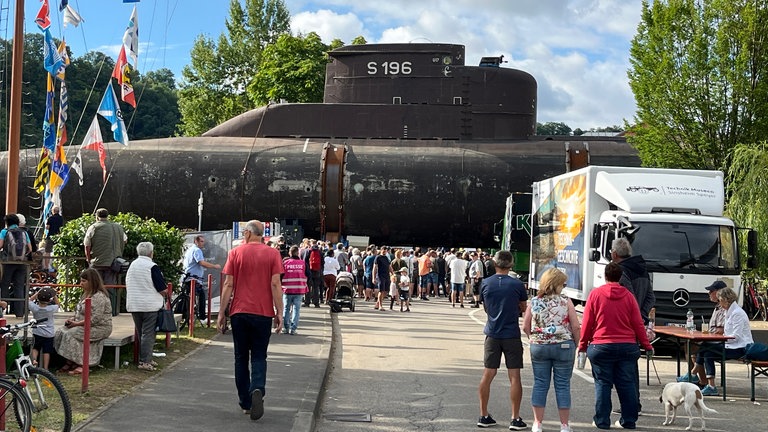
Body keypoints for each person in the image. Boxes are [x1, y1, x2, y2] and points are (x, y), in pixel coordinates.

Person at [216, 220, 284, 421]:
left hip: (239, 312)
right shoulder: (273, 254)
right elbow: (275, 284)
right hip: (263, 312)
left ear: (246, 233)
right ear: (261, 234)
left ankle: (245, 402)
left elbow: (228, 284)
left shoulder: (235, 254)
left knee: (240, 357)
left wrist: (221, 312)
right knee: (259, 356)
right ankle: (257, 388)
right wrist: (279, 311)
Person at [578, 262, 653, 430]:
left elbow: (587, 323)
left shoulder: (595, 295)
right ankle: (629, 420)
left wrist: (583, 345)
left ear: (605, 276)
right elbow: (638, 324)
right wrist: (646, 345)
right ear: (621, 277)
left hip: (601, 346)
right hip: (627, 346)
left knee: (603, 384)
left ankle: (602, 420)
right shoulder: (628, 296)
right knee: (627, 384)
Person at [523, 268, 581, 432]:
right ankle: (564, 425)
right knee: (562, 385)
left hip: (539, 346)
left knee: (540, 384)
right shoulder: (565, 301)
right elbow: (576, 326)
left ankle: (537, 424)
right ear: (556, 285)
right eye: (563, 283)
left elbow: (525, 326)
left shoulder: (534, 301)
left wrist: (534, 339)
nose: (564, 286)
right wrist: (577, 345)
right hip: (563, 345)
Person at [476, 250, 528, 430]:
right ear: (511, 264)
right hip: (511, 333)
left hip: (492, 332)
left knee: (488, 373)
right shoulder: (517, 284)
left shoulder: (485, 283)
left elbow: (485, 307)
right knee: (514, 376)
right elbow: (523, 307)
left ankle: (483, 414)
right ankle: (515, 418)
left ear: (494, 263)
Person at [678, 286, 752, 396]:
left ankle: (694, 374)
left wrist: (720, 340)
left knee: (707, 347)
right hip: (730, 344)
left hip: (740, 348)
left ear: (726, 300)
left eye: (721, 301)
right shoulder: (729, 311)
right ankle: (710, 385)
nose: (720, 304)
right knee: (707, 351)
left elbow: (736, 336)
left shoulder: (737, 313)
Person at [611, 237, 653, 415]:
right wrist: (642, 317)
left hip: (624, 325)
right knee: (631, 366)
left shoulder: (621, 271)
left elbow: (627, 298)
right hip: (637, 323)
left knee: (621, 368)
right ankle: (635, 403)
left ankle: (631, 405)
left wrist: (634, 317)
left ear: (614, 254)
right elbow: (651, 297)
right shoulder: (643, 269)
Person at [54, 268, 113, 375]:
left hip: (99, 327)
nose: (81, 284)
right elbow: (78, 311)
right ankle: (70, 361)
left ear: (92, 282)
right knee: (61, 331)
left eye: (84, 281)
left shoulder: (99, 297)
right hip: (83, 323)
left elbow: (95, 319)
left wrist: (76, 324)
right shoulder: (85, 294)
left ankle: (81, 363)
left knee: (71, 334)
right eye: (81, 281)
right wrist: (72, 320)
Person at [126, 242, 168, 371]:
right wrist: (166, 293)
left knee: (141, 333)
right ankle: (145, 361)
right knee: (148, 334)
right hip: (150, 305)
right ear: (151, 253)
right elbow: (161, 288)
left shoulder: (132, 265)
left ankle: (146, 358)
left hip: (134, 304)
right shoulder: (152, 266)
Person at [677, 280, 727, 385]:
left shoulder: (724, 309)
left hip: (721, 342)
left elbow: (721, 330)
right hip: (713, 339)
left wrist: (708, 333)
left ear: (719, 293)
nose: (709, 293)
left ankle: (697, 378)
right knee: (689, 345)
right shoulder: (717, 308)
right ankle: (696, 377)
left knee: (696, 348)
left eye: (711, 291)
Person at [83, 208, 127, 316]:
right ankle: (110, 311)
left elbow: (87, 245)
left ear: (97, 217)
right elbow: (125, 240)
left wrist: (88, 259)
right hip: (114, 263)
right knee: (111, 288)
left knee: (94, 287)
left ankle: (94, 312)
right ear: (108, 216)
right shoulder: (118, 227)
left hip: (97, 263)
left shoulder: (93, 227)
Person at [182, 235, 222, 325]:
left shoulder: (189, 250)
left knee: (189, 299)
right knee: (202, 297)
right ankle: (202, 318)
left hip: (189, 277)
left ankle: (186, 317)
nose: (203, 243)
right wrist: (214, 266)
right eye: (201, 241)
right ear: (196, 241)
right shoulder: (197, 250)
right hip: (194, 279)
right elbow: (201, 262)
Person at [0, 214, 32, 317]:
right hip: (22, 263)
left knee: (5, 284)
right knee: (19, 286)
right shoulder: (24, 232)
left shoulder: (4, 232)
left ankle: (3, 309)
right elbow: (30, 248)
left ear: (7, 223)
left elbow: (0, 245)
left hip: (8, 262)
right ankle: (19, 313)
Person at [29, 287, 59, 369]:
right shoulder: (51, 309)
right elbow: (58, 304)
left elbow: (29, 300)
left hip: (37, 332)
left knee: (35, 348)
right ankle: (45, 368)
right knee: (47, 351)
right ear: (49, 300)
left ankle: (34, 362)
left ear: (38, 298)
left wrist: (37, 293)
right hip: (49, 333)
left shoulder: (35, 308)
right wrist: (54, 295)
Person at [282, 246, 308, 335]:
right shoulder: (303, 263)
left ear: (290, 253)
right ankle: (293, 328)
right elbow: (309, 275)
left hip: (287, 289)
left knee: (286, 309)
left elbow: (280, 275)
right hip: (299, 289)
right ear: (298, 253)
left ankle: (286, 327)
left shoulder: (285, 263)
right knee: (296, 309)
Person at [44, 206, 64, 271]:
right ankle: (57, 267)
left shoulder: (50, 218)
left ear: (53, 211)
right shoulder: (61, 218)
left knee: (47, 252)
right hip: (58, 237)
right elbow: (61, 228)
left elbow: (47, 227)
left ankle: (46, 267)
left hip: (50, 236)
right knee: (57, 252)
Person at [372, 246, 392, 311]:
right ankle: (380, 305)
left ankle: (377, 303)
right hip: (380, 275)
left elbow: (389, 266)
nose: (384, 251)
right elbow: (374, 268)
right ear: (381, 250)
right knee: (381, 290)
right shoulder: (378, 257)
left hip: (387, 275)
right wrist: (373, 277)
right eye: (383, 250)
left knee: (386, 291)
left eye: (385, 250)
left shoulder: (386, 258)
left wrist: (393, 273)